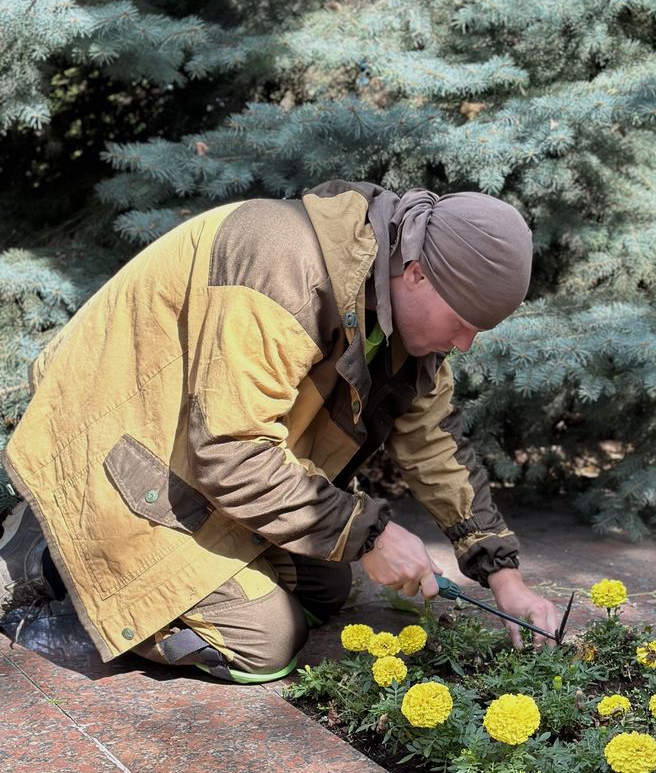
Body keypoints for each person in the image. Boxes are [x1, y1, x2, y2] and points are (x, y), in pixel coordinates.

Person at [0, 181, 559, 682]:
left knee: (326, 586)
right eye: (462, 325)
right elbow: (231, 454)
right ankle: (45, 555)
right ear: (416, 274)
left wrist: (503, 577)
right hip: (117, 454)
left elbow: (434, 442)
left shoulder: (393, 304)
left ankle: (120, 570)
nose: (464, 345)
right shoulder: (283, 268)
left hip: (195, 460)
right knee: (265, 640)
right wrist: (369, 533)